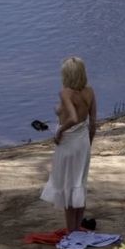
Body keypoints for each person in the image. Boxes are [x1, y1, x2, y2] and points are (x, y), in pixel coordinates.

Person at [40, 56, 97, 233]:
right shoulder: (90, 91)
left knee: (68, 184)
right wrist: (89, 143)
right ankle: (77, 226)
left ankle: (71, 230)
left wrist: (60, 131)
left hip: (68, 142)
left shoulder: (66, 93)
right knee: (79, 183)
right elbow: (93, 122)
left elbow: (72, 118)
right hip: (83, 142)